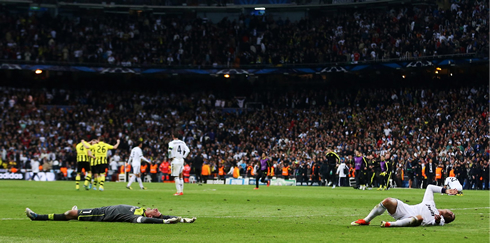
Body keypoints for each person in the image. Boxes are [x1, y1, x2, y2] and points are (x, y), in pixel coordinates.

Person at [351, 185, 458, 227]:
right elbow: (430, 187)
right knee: (388, 201)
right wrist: (445, 190)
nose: (450, 213)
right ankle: (366, 220)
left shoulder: (441, 220)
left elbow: (438, 223)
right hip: (406, 209)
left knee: (420, 217)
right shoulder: (431, 203)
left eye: (450, 216)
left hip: (414, 220)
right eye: (452, 213)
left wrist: (438, 220)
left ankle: (390, 224)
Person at [25, 205, 196, 224]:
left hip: (100, 214)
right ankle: (75, 212)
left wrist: (164, 223)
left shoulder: (137, 217)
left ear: (150, 216)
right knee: (73, 213)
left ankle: (37, 217)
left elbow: (145, 221)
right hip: (102, 208)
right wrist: (182, 219)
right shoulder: (141, 210)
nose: (157, 209)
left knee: (70, 213)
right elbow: (165, 216)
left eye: (156, 212)